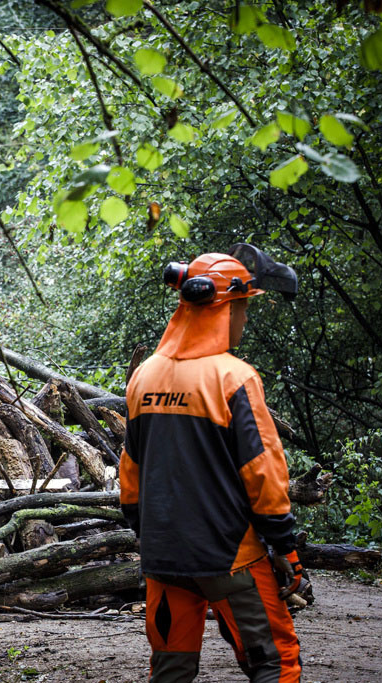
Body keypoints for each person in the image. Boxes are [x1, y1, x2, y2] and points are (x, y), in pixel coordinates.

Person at [120, 244, 310, 683]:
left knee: (171, 670)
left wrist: (149, 534)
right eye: (242, 308)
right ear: (223, 308)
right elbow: (263, 471)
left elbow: (130, 474)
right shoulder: (234, 377)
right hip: (231, 556)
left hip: (163, 557)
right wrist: (285, 547)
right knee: (275, 663)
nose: (243, 319)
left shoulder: (144, 376)